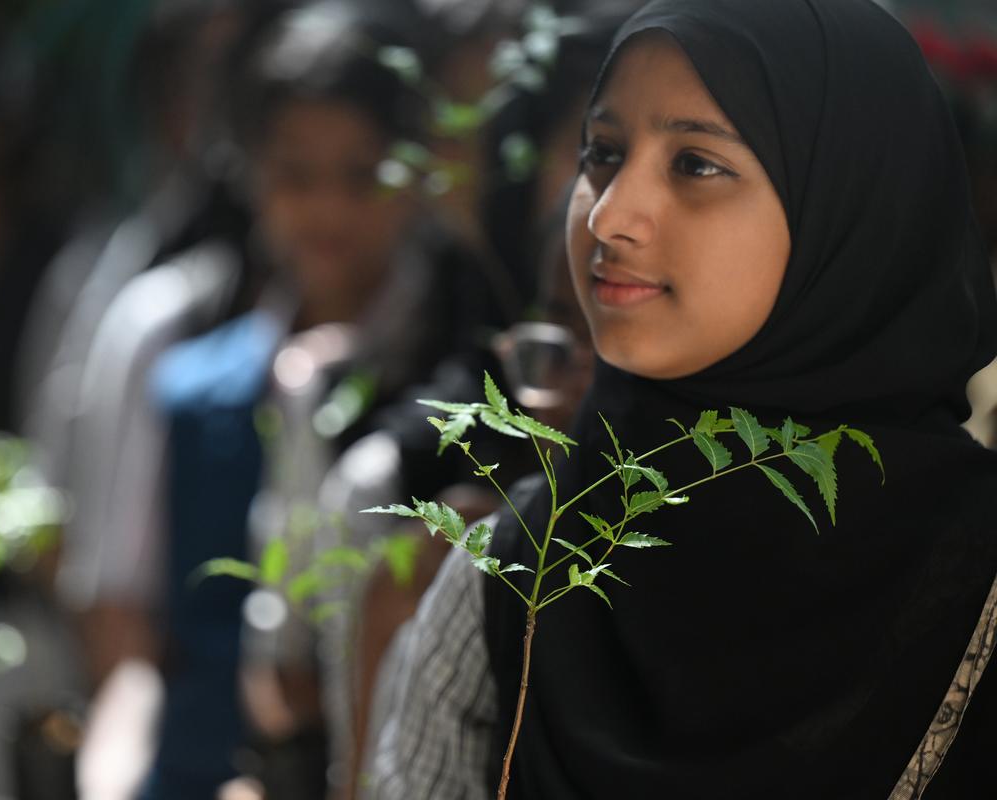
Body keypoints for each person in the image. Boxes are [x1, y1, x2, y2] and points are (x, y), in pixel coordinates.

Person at [366, 0, 997, 797]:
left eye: (696, 164)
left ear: (845, 208)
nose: (610, 212)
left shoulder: (980, 583)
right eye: (601, 151)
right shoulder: (514, 575)